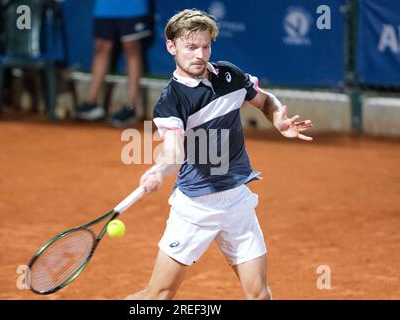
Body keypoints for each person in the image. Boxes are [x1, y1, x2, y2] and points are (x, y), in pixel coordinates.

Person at [125, 9, 314, 300]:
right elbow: (174, 151)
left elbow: (265, 101)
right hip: (196, 208)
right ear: (171, 47)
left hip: (237, 201)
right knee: (158, 297)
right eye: (191, 47)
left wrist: (277, 118)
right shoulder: (170, 101)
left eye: (205, 46)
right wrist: (157, 170)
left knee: (260, 294)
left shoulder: (229, 74)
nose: (200, 54)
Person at [75, 0, 152, 127]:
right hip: (105, 5)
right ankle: (91, 103)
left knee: (131, 47)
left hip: (132, 6)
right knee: (101, 46)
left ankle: (131, 107)